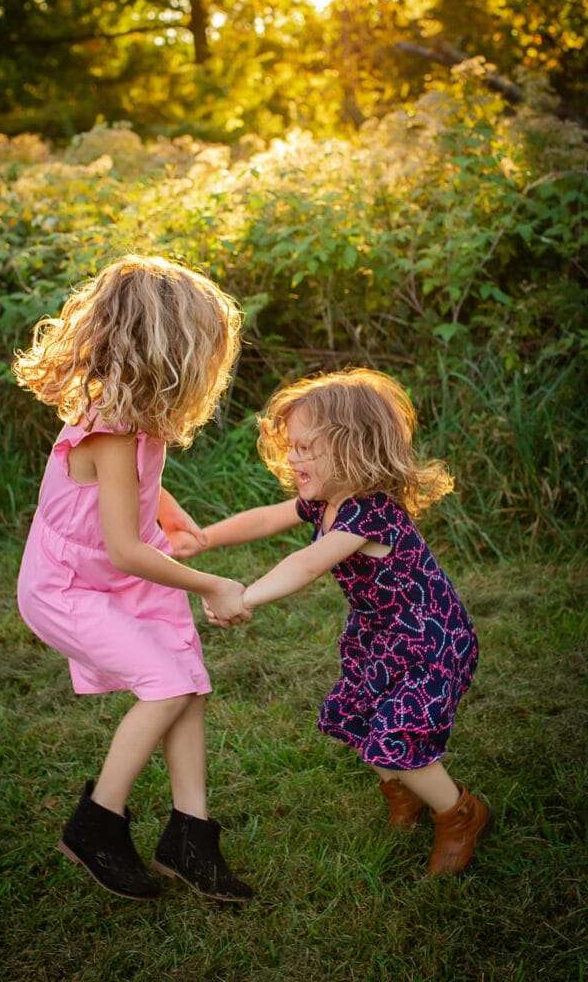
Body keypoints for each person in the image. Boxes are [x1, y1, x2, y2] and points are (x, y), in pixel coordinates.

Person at [14, 255, 253, 902]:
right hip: (71, 585)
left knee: (186, 681)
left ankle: (189, 836)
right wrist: (209, 583)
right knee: (167, 685)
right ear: (167, 350)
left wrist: (173, 516)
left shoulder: (131, 413)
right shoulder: (108, 429)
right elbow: (122, 548)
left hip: (117, 571)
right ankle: (97, 824)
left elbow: (135, 493)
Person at [202, 368, 492, 876]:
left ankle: (459, 813)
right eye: (291, 447)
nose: (292, 459)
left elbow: (306, 564)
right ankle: (404, 793)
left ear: (353, 447)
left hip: (430, 641)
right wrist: (203, 539)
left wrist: (245, 596)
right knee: (361, 718)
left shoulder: (369, 512)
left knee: (396, 733)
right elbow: (265, 518)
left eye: (306, 448)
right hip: (381, 637)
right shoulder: (324, 502)